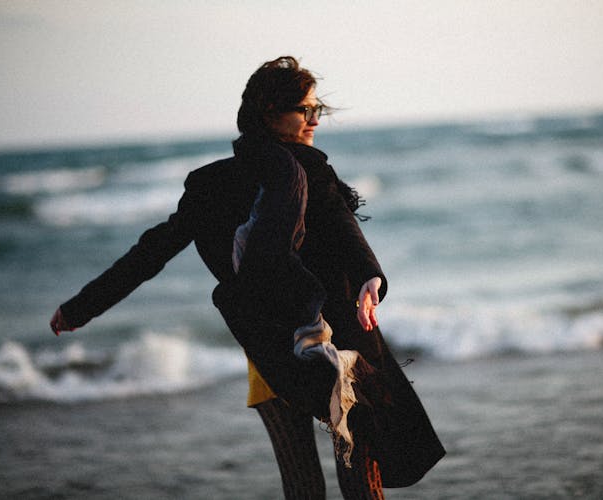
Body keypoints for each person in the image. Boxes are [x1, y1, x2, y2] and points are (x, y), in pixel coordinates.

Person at [50, 56, 444, 499]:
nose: (315, 120)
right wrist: (83, 306)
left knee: (323, 474)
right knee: (344, 472)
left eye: (318, 110)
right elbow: (154, 250)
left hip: (281, 346)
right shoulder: (217, 184)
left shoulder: (304, 171)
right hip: (320, 348)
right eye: (305, 110)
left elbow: (342, 227)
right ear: (270, 113)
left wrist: (372, 278)